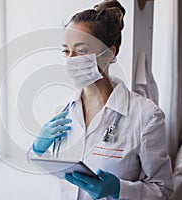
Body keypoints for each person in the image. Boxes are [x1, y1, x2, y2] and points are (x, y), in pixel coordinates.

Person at [31, 0, 173, 199]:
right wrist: (38, 149)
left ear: (109, 53)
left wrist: (120, 190)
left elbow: (163, 191)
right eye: (66, 51)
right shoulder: (64, 108)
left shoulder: (146, 116)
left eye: (81, 50)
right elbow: (59, 172)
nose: (71, 59)